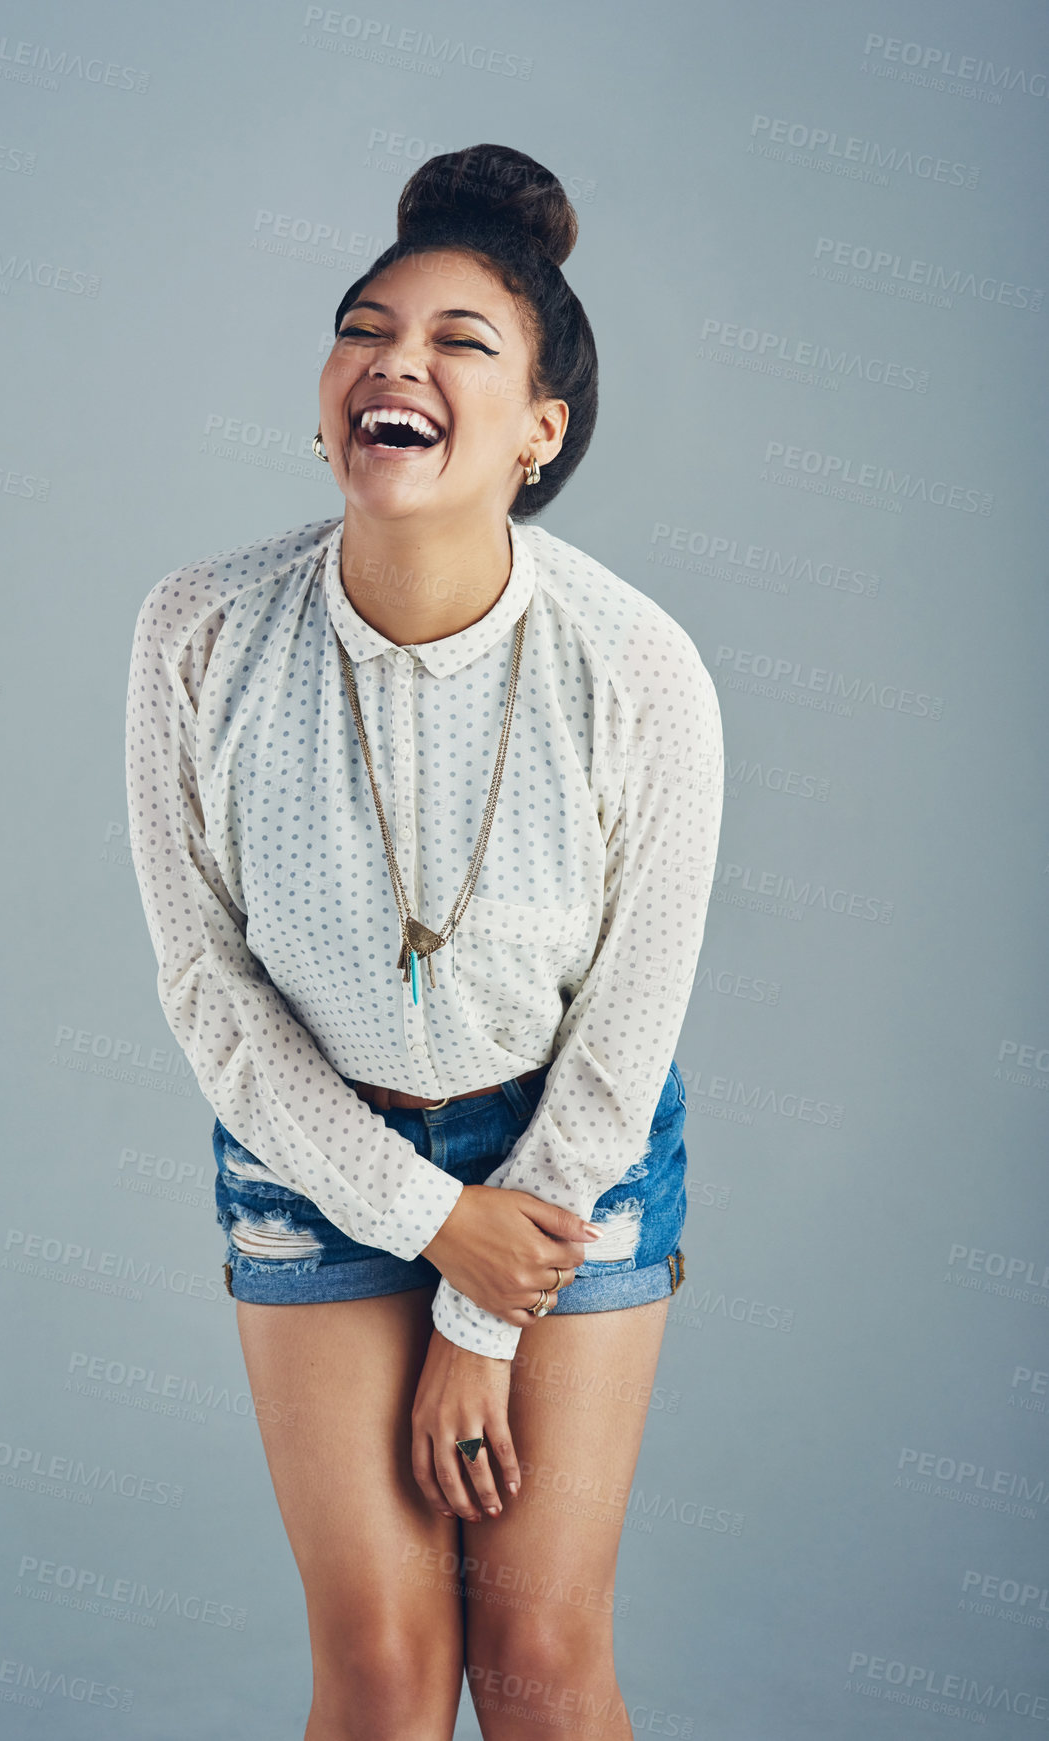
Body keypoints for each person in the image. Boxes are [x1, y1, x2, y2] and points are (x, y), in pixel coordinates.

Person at [125, 143, 723, 1741]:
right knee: (385, 1679)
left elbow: (627, 1030)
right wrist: (419, 1217)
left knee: (536, 1672)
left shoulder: (641, 669)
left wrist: (480, 1295)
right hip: (308, 1154)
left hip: (566, 1174)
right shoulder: (197, 630)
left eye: (463, 341)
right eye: (366, 327)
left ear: (543, 431)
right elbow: (212, 995)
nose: (396, 360)